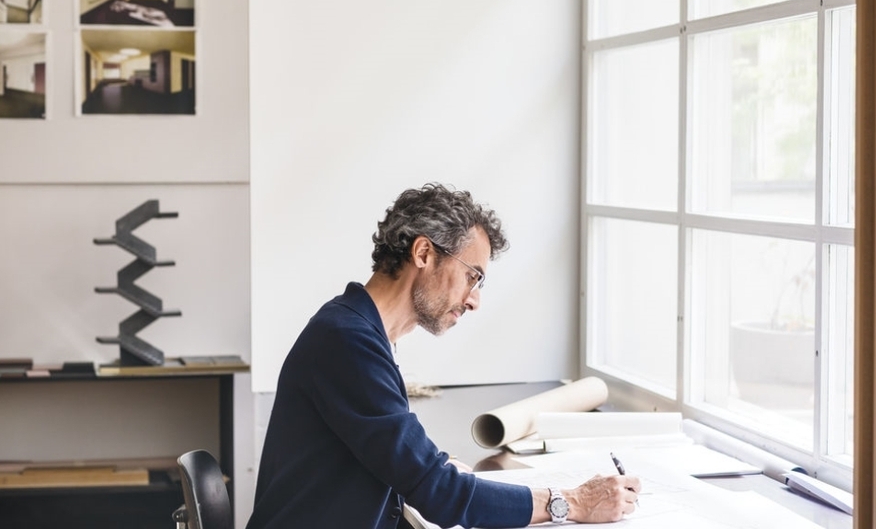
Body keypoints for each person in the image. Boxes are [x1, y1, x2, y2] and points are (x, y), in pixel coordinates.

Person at [247, 183, 641, 529]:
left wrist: (431, 465)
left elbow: (394, 461)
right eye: (473, 276)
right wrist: (571, 503)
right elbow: (439, 494)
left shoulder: (357, 330)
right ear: (423, 253)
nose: (474, 300)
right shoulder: (347, 341)